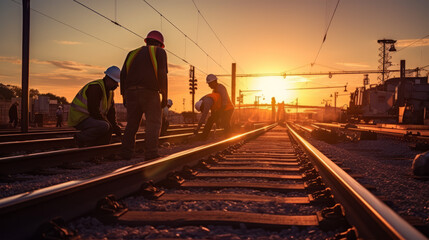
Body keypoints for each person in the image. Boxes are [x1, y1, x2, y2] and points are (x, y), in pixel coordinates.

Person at [120, 30, 168, 160]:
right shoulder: (160, 52)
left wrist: (123, 95)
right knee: (153, 123)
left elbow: (123, 75)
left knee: (132, 124)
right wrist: (164, 95)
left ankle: (126, 153)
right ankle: (151, 153)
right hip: (150, 92)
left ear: (147, 41)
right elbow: (162, 74)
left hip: (130, 92)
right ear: (159, 44)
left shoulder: (131, 54)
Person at [67, 66, 122, 147]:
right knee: (104, 126)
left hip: (90, 118)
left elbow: (111, 112)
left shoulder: (109, 92)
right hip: (80, 117)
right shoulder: (95, 87)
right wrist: (109, 124)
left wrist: (115, 126)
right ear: (108, 78)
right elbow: (93, 110)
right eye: (115, 82)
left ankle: (100, 150)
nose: (117, 85)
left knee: (108, 126)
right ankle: (80, 138)